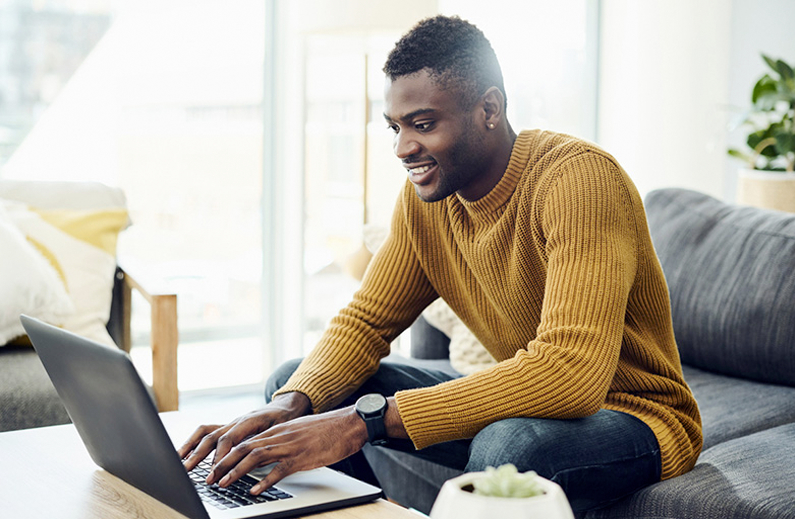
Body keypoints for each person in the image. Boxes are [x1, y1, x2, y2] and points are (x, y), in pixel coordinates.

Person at [179, 15, 702, 513]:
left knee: (509, 443)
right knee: (294, 380)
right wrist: (292, 404)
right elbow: (365, 322)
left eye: (423, 124)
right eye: (394, 127)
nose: (404, 148)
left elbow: (569, 374)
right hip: (529, 407)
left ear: (489, 109)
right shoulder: (426, 202)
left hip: (636, 416)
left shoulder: (577, 182)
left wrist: (365, 423)